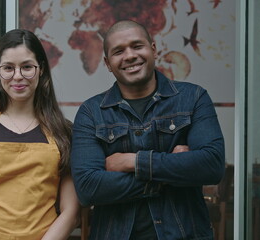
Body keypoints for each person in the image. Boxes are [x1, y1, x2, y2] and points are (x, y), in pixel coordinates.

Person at [70, 20, 225, 239]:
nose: (130, 55)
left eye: (137, 46)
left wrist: (131, 162)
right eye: (118, 51)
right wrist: (173, 171)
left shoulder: (193, 98)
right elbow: (88, 188)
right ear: (107, 63)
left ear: (153, 49)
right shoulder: (91, 112)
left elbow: (211, 165)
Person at [0, 29, 80, 240]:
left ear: (42, 70)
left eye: (27, 67)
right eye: (8, 68)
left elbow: (71, 212)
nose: (17, 76)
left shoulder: (64, 131)